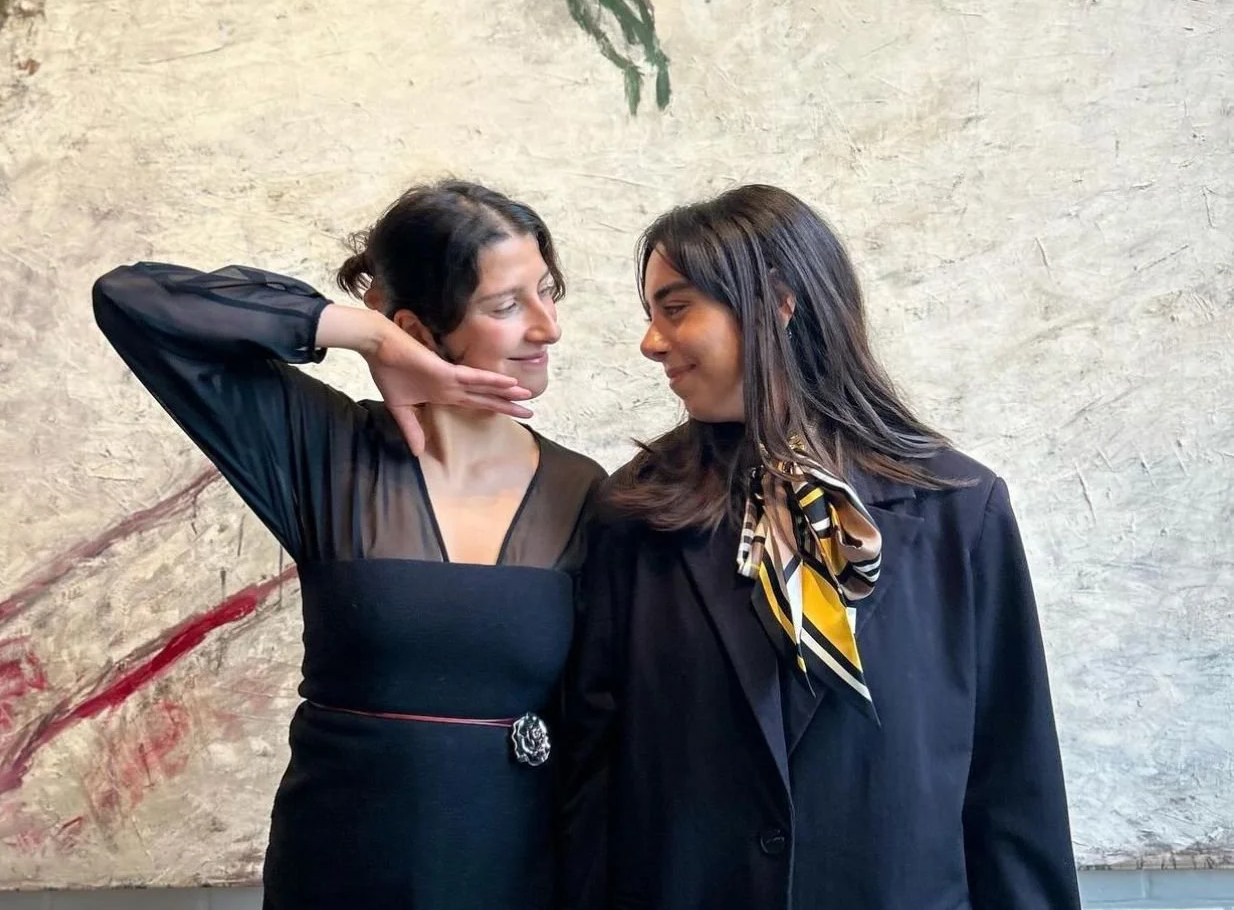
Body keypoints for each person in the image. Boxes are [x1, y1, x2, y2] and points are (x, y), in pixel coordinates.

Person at [559, 184, 1080, 909]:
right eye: (650, 314)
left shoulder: (958, 509)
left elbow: (1013, 783)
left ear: (777, 301)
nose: (651, 341)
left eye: (676, 308)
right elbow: (592, 778)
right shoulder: (635, 514)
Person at [92, 179, 605, 910]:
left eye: (548, 291)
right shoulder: (326, 452)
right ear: (418, 329)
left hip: (515, 874)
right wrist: (363, 336)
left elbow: (604, 731)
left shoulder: (584, 493)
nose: (547, 327)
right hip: (335, 869)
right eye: (505, 305)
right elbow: (131, 299)